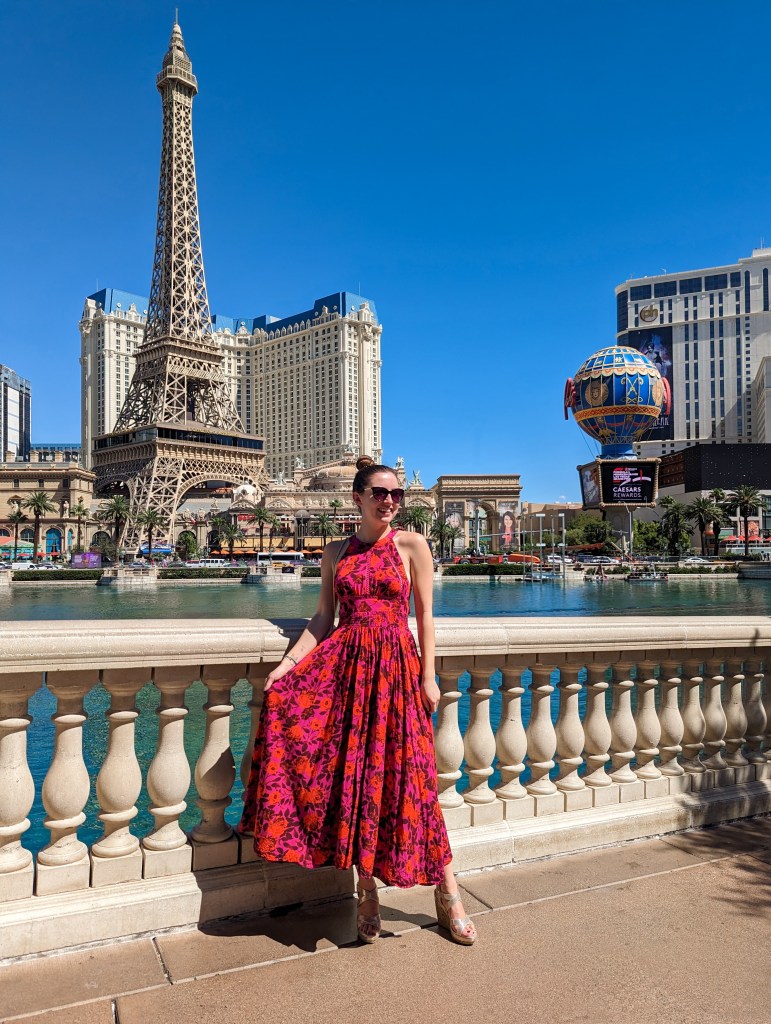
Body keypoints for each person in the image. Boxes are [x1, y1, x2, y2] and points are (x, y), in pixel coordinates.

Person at [240, 456, 476, 946]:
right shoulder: (335, 552)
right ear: (358, 498)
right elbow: (323, 619)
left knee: (413, 779)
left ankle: (447, 891)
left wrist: (429, 677)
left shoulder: (411, 545)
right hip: (347, 672)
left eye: (395, 495)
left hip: (396, 670)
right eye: (379, 494)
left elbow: (426, 618)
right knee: (356, 779)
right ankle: (364, 888)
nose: (389, 501)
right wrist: (286, 668)